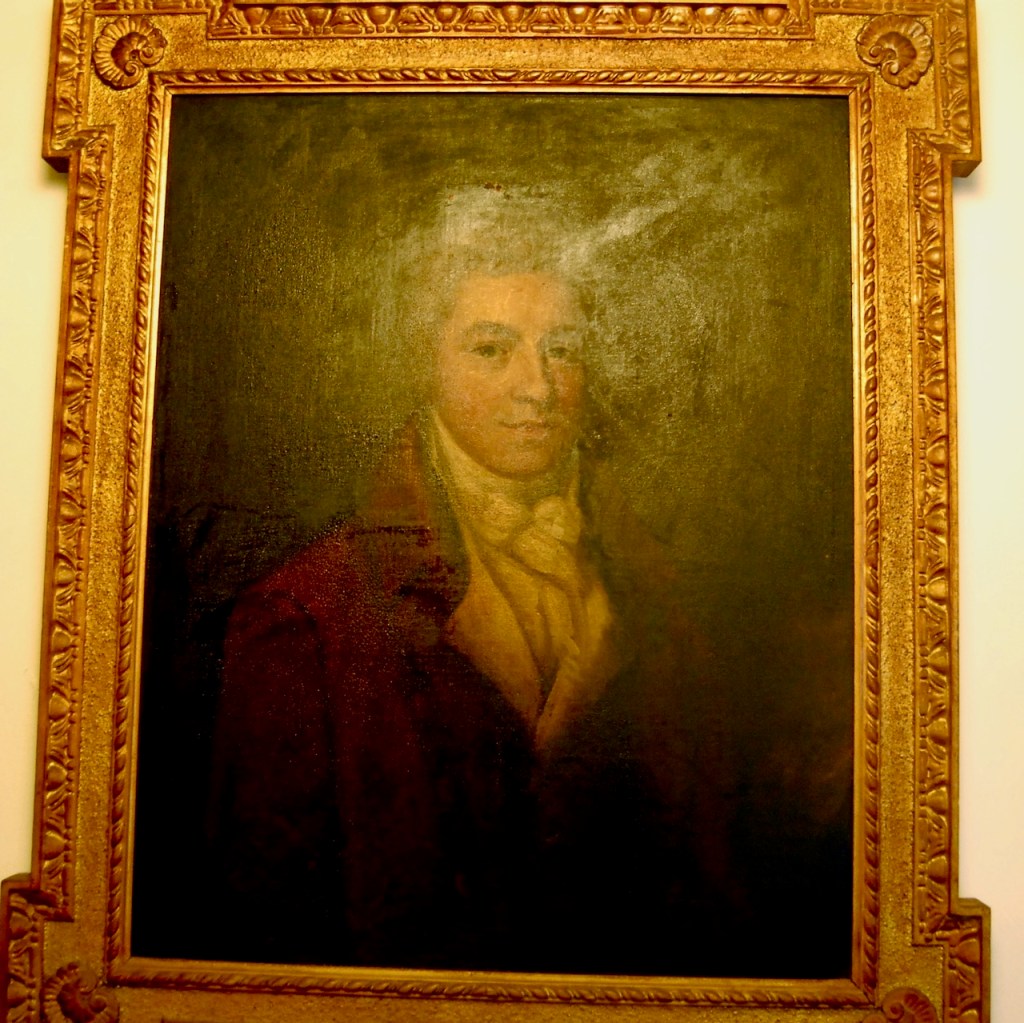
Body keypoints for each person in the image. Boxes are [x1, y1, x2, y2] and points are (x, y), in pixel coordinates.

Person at [207, 192, 842, 977]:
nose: (536, 388)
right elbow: (263, 939)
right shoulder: (304, 618)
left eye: (562, 350)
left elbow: (716, 889)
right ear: (425, 360)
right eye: (491, 349)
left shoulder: (661, 602)